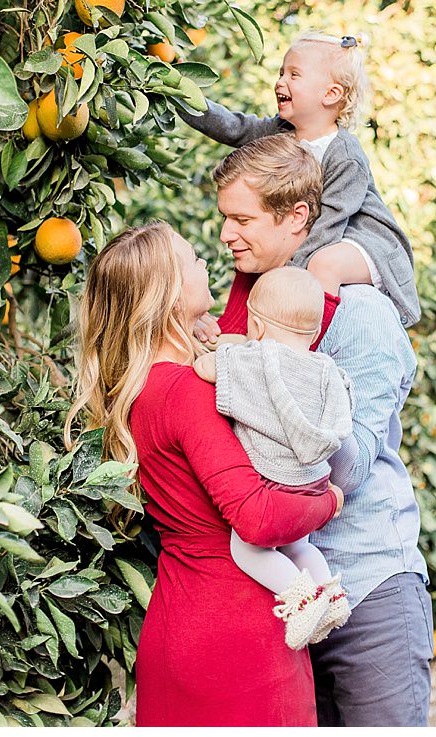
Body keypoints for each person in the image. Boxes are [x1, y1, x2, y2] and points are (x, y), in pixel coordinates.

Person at [63, 221, 344, 727]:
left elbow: (256, 312)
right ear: (171, 293)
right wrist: (329, 501)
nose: (207, 259)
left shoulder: (146, 388)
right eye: (193, 258)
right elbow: (256, 519)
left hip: (180, 623)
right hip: (238, 639)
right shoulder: (189, 392)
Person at [209, 134, 433, 727]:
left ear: (297, 218)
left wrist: (275, 374)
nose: (227, 234)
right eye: (224, 218)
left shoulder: (360, 313)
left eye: (242, 219)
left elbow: (350, 468)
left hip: (366, 586)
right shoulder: (247, 306)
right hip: (286, 593)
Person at [176, 32, 420, 347]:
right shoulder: (280, 131)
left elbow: (332, 220)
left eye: (294, 74)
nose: (280, 81)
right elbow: (233, 126)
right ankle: (246, 332)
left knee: (321, 264)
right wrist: (178, 91)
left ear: (331, 94)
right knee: (264, 250)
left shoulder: (344, 155)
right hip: (323, 232)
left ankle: (304, 346)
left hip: (363, 240)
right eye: (281, 72)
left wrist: (287, 275)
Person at [194, 265, 356, 650]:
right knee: (299, 545)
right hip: (315, 481)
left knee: (248, 549)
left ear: (259, 329)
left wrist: (215, 351)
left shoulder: (254, 363)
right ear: (314, 332)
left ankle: (301, 599)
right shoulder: (326, 370)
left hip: (276, 482)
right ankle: (331, 595)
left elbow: (204, 367)